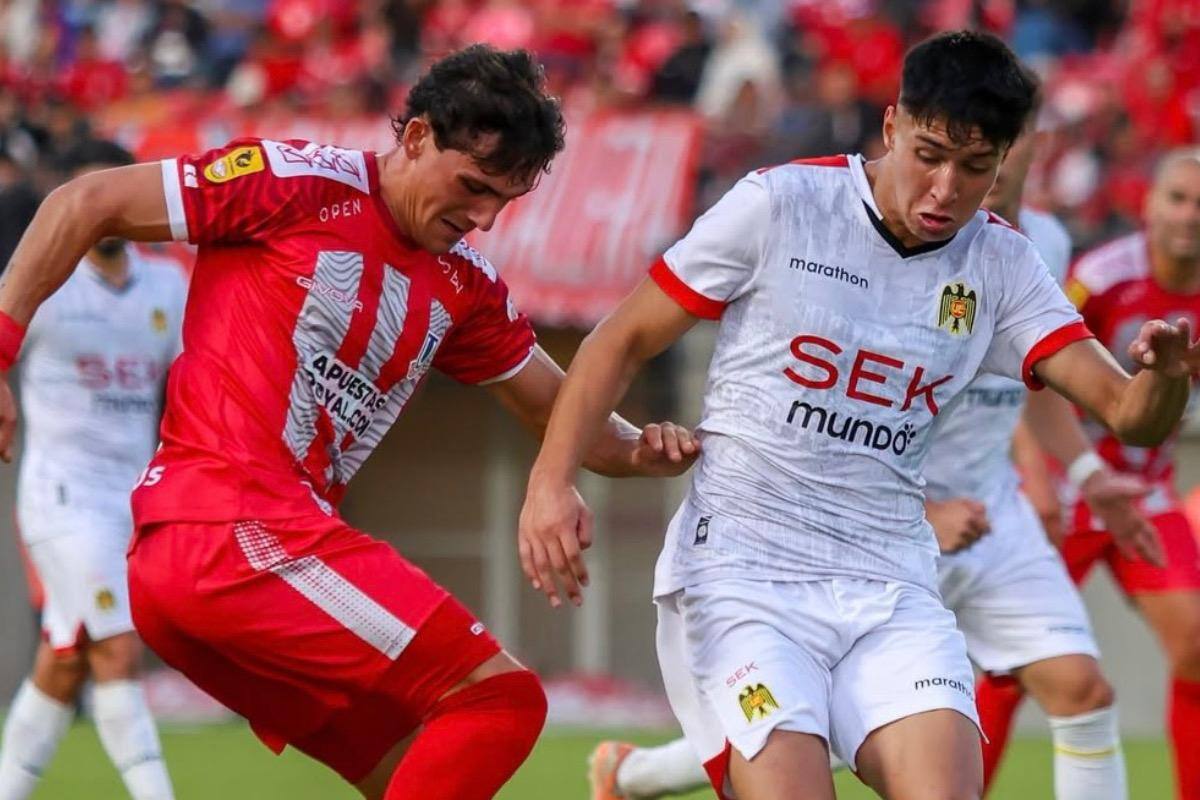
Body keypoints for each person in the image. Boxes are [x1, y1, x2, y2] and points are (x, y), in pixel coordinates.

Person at [0, 45, 699, 800]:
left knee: (412, 767)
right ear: (416, 137)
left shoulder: (464, 285)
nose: (483, 219)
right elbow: (83, 203)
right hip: (233, 535)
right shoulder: (296, 184)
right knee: (501, 701)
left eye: (504, 202)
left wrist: (637, 448)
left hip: (196, 571)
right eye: (473, 187)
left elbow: (561, 415)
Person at [521, 30, 1195, 800]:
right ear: (890, 126)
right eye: (929, 154)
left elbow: (1127, 411)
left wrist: (1164, 378)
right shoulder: (782, 205)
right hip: (744, 577)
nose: (945, 189)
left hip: (891, 582)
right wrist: (551, 482)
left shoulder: (1003, 262)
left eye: (974, 169)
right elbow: (622, 336)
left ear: (1004, 164)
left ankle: (638, 779)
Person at [976, 147, 1200, 799]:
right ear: (1148, 206)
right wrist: (1041, 472)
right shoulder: (1096, 277)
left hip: (1146, 491)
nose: (1189, 217)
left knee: (1195, 645)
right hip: (1067, 485)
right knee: (1012, 663)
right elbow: (1035, 369)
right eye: (1178, 198)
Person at [0, 139, 185, 800]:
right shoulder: (41, 282)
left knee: (65, 659)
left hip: (132, 496)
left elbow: (192, 383)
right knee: (117, 648)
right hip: (62, 494)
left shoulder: (168, 285)